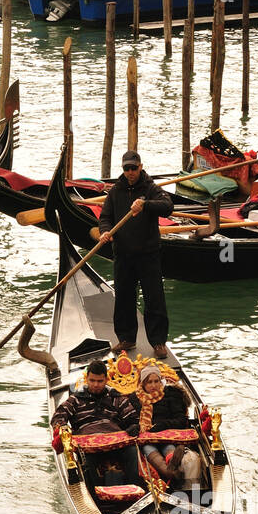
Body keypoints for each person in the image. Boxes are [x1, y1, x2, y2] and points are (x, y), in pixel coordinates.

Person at [97, 149, 174, 359]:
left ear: (140, 167)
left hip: (148, 255)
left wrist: (145, 205)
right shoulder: (115, 191)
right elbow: (105, 218)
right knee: (123, 299)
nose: (130, 172)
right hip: (123, 255)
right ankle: (126, 338)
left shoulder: (150, 188)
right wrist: (105, 231)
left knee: (154, 299)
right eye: (126, 168)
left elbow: (168, 206)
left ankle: (158, 342)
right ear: (123, 170)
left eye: (134, 168)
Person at [51, 359, 144, 489]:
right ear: (87, 379)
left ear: (106, 380)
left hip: (115, 442)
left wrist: (133, 427)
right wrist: (63, 427)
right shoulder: (75, 400)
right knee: (86, 461)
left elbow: (133, 418)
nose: (95, 385)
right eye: (92, 380)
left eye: (100, 381)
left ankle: (135, 488)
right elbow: (57, 418)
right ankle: (94, 494)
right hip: (89, 445)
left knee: (132, 451)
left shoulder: (115, 398)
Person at [136, 365, 200, 487]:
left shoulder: (171, 395)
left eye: (156, 381)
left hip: (167, 435)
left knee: (168, 446)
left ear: (161, 381)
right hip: (147, 438)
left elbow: (181, 420)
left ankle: (172, 462)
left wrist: (162, 425)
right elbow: (132, 418)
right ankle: (169, 471)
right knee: (148, 448)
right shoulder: (136, 398)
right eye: (149, 382)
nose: (153, 385)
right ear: (143, 384)